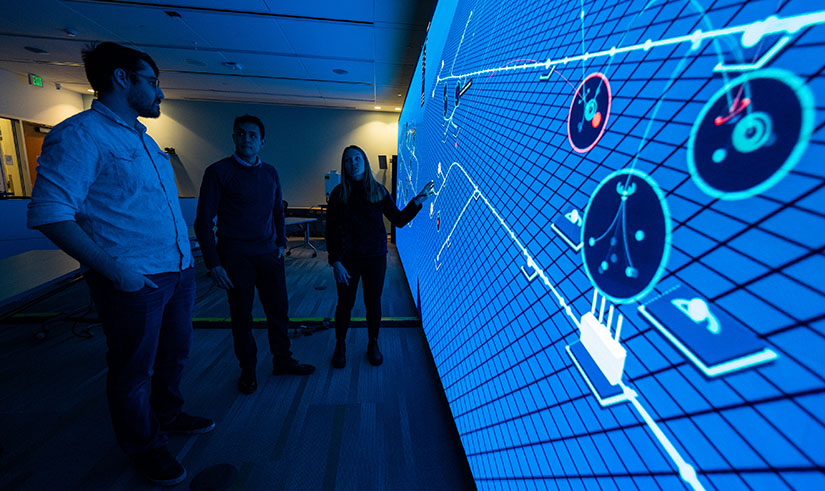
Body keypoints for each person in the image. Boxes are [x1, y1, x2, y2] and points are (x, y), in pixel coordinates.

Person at [27, 42, 213, 486]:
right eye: (152, 82)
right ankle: (144, 447)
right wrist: (116, 272)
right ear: (121, 79)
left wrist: (188, 257)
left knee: (175, 354)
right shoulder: (80, 135)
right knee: (132, 372)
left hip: (178, 270)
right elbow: (51, 214)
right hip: (133, 280)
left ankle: (166, 415)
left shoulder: (144, 141)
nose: (160, 93)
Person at [194, 115, 315, 395]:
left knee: (278, 311)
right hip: (235, 258)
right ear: (234, 138)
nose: (247, 139)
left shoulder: (270, 172)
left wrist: (281, 243)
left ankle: (282, 360)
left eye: (252, 135)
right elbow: (203, 222)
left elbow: (277, 211)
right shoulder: (218, 172)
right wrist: (213, 263)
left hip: (269, 255)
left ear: (262, 141)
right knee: (242, 317)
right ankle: (247, 370)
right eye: (241, 134)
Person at [326, 145, 433, 367]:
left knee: (372, 302)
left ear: (365, 162)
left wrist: (417, 201)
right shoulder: (338, 194)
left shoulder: (378, 191)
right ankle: (340, 344)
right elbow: (331, 231)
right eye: (348, 160)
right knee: (345, 303)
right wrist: (335, 261)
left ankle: (373, 342)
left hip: (375, 258)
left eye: (357, 158)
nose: (353, 163)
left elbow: (399, 220)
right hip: (347, 260)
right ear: (343, 165)